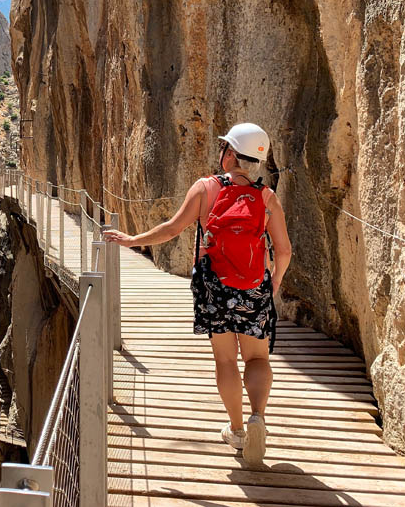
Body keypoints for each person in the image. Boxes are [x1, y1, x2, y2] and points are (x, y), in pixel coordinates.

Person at [102, 123, 292, 463]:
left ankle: (236, 431)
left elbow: (173, 228)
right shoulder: (266, 197)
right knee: (258, 359)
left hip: (214, 288)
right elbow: (284, 251)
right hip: (254, 286)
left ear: (231, 155)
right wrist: (272, 283)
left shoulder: (206, 188)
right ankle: (258, 417)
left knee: (225, 360)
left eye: (224, 148)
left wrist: (131, 240)